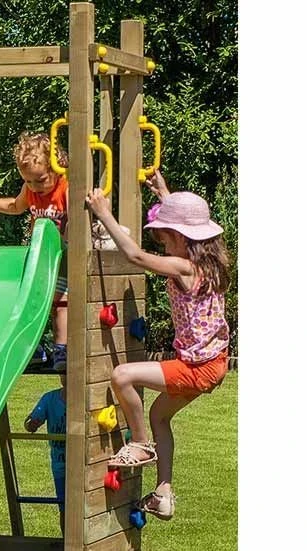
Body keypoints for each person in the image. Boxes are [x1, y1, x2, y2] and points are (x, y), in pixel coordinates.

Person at [85, 171, 230, 521]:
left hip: (196, 367)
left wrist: (104, 213)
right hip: (215, 363)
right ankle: (163, 492)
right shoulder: (212, 263)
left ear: (180, 238)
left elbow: (136, 256)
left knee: (122, 376)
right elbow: (184, 226)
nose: (163, 245)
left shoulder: (182, 266)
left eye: (165, 239)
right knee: (159, 416)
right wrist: (165, 193)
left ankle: (140, 444)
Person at [0, 131, 70, 371]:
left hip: (63, 257)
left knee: (60, 303)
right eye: (28, 181)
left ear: (57, 167)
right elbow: (15, 206)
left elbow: (78, 221)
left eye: (40, 180)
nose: (34, 187)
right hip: (40, 257)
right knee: (30, 301)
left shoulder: (65, 188)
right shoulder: (30, 190)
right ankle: (34, 349)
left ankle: (62, 349)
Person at [24, 374, 68, 535]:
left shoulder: (85, 399)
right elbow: (29, 424)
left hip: (80, 465)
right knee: (64, 507)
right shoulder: (50, 399)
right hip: (60, 464)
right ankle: (65, 542)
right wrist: (32, 425)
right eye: (62, 373)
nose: (66, 376)